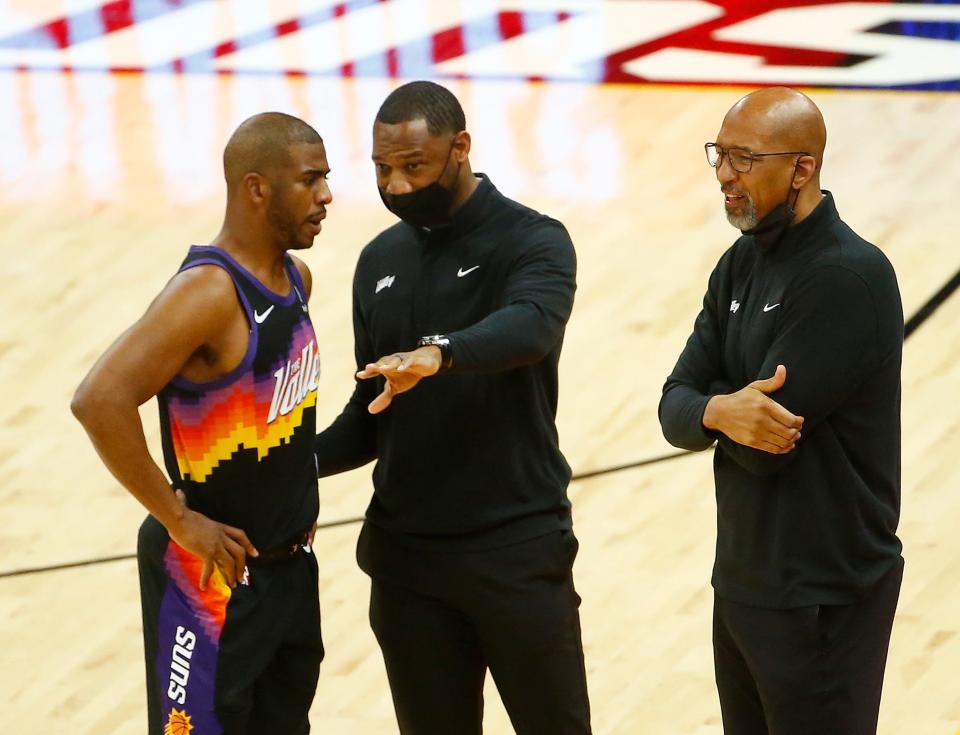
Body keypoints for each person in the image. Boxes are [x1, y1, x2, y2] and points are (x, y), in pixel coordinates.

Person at [314, 80, 591, 734]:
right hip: (408, 565)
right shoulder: (379, 259)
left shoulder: (533, 240)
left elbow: (531, 327)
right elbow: (370, 414)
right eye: (383, 169)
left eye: (414, 166)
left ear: (460, 146)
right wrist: (282, 466)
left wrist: (439, 353)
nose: (398, 185)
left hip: (514, 550)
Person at [71, 112, 332, 734]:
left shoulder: (297, 280)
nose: (326, 196)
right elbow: (99, 398)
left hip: (288, 569)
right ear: (256, 188)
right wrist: (178, 519)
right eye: (310, 180)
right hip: (209, 580)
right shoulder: (209, 293)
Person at [659, 87, 904, 734]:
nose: (723, 176)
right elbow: (672, 405)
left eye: (743, 158)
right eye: (719, 154)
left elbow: (766, 447)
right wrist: (716, 410)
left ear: (802, 168)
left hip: (824, 591)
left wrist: (709, 412)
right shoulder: (739, 264)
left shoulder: (846, 279)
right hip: (743, 579)